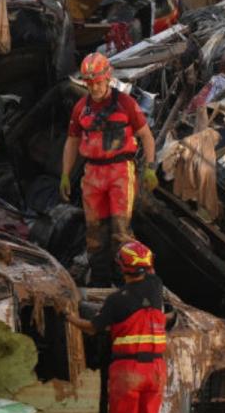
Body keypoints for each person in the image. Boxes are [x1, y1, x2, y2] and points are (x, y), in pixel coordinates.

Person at [66, 240, 167, 413]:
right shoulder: (156, 288)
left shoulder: (116, 301)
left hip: (128, 371)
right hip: (156, 370)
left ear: (122, 268)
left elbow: (92, 327)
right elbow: (150, 270)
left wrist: (68, 317)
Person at [60, 52, 158, 285]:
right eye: (89, 83)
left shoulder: (126, 104)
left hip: (120, 172)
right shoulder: (81, 108)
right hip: (93, 173)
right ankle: (101, 282)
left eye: (97, 82)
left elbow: (146, 136)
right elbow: (72, 141)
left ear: (107, 77)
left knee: (120, 232)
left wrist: (150, 168)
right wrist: (65, 174)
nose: (93, 87)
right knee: (95, 233)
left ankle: (126, 280)